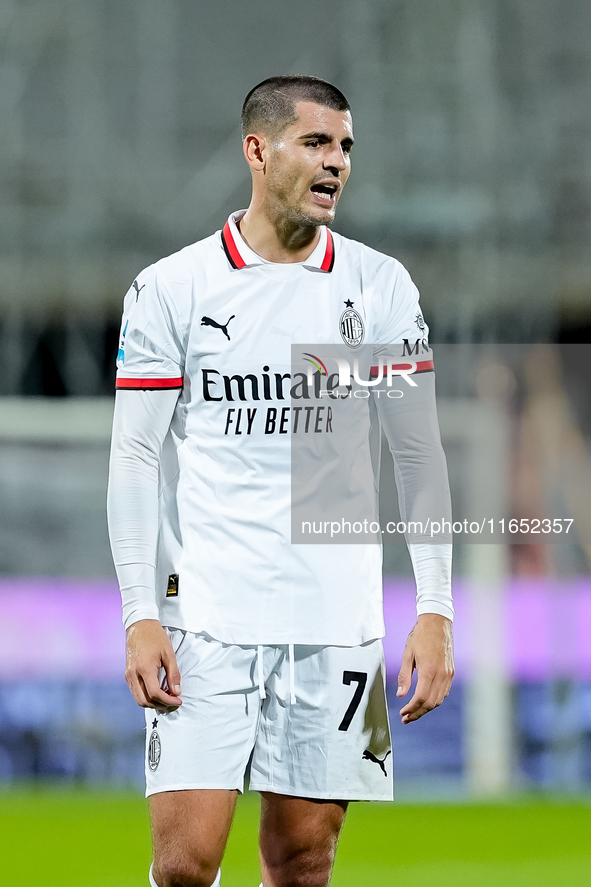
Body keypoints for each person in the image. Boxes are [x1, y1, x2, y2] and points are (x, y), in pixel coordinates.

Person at [107, 75, 454, 887]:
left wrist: (435, 606)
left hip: (338, 621)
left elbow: (418, 454)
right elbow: (133, 458)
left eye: (344, 147)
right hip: (205, 616)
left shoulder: (378, 286)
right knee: (186, 863)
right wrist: (139, 613)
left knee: (304, 861)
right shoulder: (174, 288)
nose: (335, 162)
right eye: (316, 143)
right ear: (257, 151)